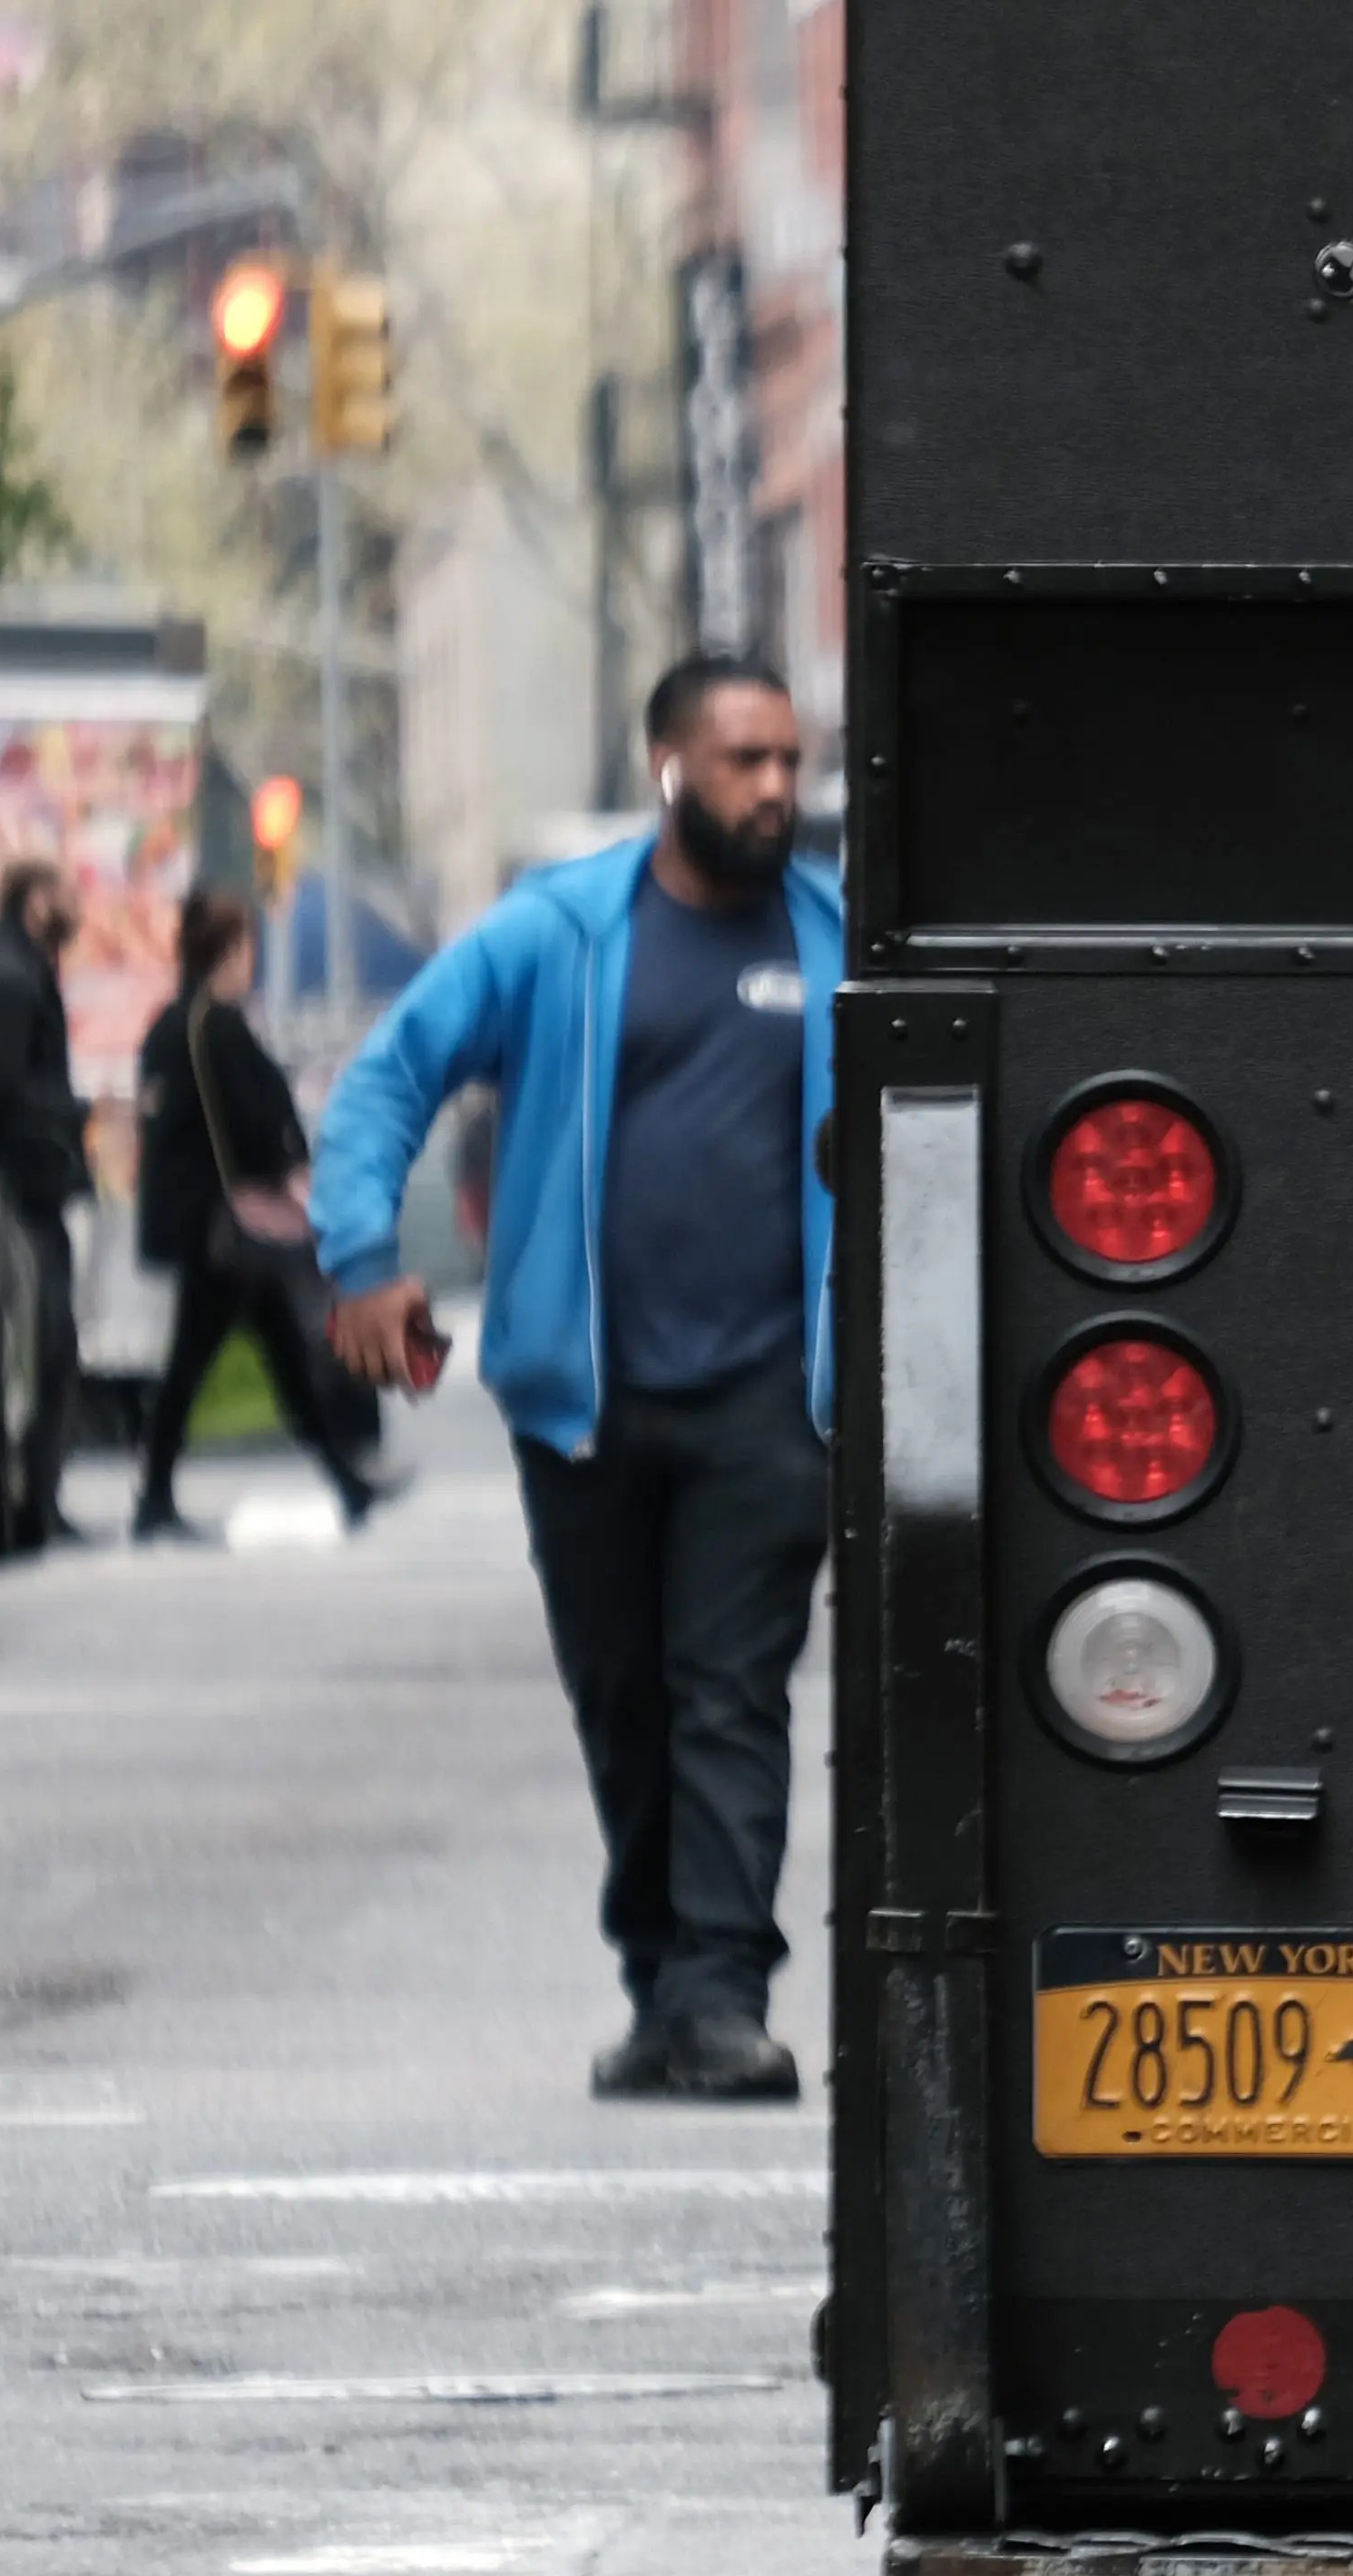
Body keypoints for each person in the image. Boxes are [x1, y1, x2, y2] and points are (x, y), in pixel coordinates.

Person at [316, 651, 840, 2101]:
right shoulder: (562, 934)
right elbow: (389, 1077)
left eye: (789, 760)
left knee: (731, 1692)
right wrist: (362, 1259)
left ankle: (723, 1994)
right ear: (672, 768)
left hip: (773, 1401)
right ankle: (660, 1984)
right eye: (745, 761)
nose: (776, 787)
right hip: (588, 1400)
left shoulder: (838, 944)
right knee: (623, 1696)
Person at [131, 892, 395, 1541]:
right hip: (226, 1228)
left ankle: (344, 1479)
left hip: (207, 1227)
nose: (252, 960)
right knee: (197, 1363)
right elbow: (255, 1115)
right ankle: (156, 1498)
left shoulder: (171, 1025)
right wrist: (289, 1162)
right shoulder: (216, 1025)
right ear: (230, 950)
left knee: (272, 1354)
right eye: (247, 946)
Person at [0, 857, 87, 1546]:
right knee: (47, 1346)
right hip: (17, 1195)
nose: (76, 906)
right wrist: (75, 1110)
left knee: (53, 1347)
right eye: (65, 892)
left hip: (32, 1189)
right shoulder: (8, 980)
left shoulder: (23, 969)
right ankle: (34, 1506)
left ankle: (41, 1502)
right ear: (35, 900)